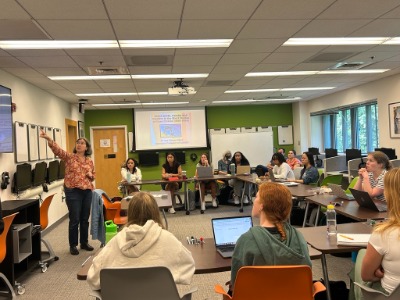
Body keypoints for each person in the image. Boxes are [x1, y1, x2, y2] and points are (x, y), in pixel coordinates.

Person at [87, 192, 195, 291]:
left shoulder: (116, 241)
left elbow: (93, 278)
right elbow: (189, 267)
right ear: (156, 212)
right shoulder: (168, 239)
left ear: (130, 213)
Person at [228, 182, 311, 293]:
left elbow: (236, 284)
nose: (253, 200)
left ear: (262, 205)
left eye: (256, 197)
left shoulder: (246, 239)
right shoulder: (298, 237)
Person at [40, 129, 95, 255]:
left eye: (82, 143)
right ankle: (73, 245)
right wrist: (49, 139)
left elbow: (93, 175)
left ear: (86, 147)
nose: (79, 144)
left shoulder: (89, 161)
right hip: (73, 191)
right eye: (78, 143)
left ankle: (84, 242)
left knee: (85, 218)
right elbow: (58, 150)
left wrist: (91, 174)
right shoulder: (70, 157)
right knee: (74, 218)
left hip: (87, 191)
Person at [358, 168, 400, 296]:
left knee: (361, 256)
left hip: (391, 295)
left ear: (389, 195)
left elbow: (366, 276)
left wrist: (381, 270)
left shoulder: (384, 234)